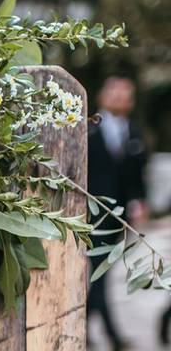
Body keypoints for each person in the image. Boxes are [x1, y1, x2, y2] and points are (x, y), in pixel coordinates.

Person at [87, 76, 149, 351]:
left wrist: (140, 202)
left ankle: (83, 326)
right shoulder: (87, 128)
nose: (118, 98)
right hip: (90, 214)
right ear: (102, 95)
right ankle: (112, 336)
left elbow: (138, 175)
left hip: (117, 217)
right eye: (114, 92)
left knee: (100, 274)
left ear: (131, 102)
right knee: (99, 274)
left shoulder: (134, 132)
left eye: (125, 94)